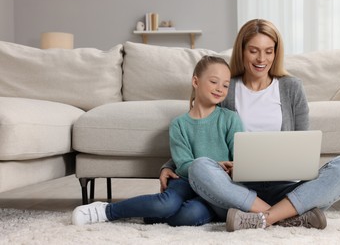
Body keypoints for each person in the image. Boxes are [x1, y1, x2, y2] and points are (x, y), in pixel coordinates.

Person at [160, 19, 340, 232]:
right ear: (242, 51)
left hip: (286, 188)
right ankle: (284, 217)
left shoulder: (292, 88)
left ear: (276, 53)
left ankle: (262, 217)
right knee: (200, 167)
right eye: (254, 51)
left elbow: (302, 145)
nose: (261, 59)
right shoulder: (228, 88)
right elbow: (200, 128)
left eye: (268, 51)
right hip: (236, 190)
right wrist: (169, 166)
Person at [71, 55, 244, 227]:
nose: (220, 88)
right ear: (196, 82)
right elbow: (183, 164)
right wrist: (213, 164)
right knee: (166, 204)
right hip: (185, 180)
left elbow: (240, 159)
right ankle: (106, 211)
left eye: (226, 85)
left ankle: (151, 214)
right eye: (214, 81)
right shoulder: (179, 124)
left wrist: (230, 167)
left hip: (217, 186)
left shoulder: (230, 119)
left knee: (190, 215)